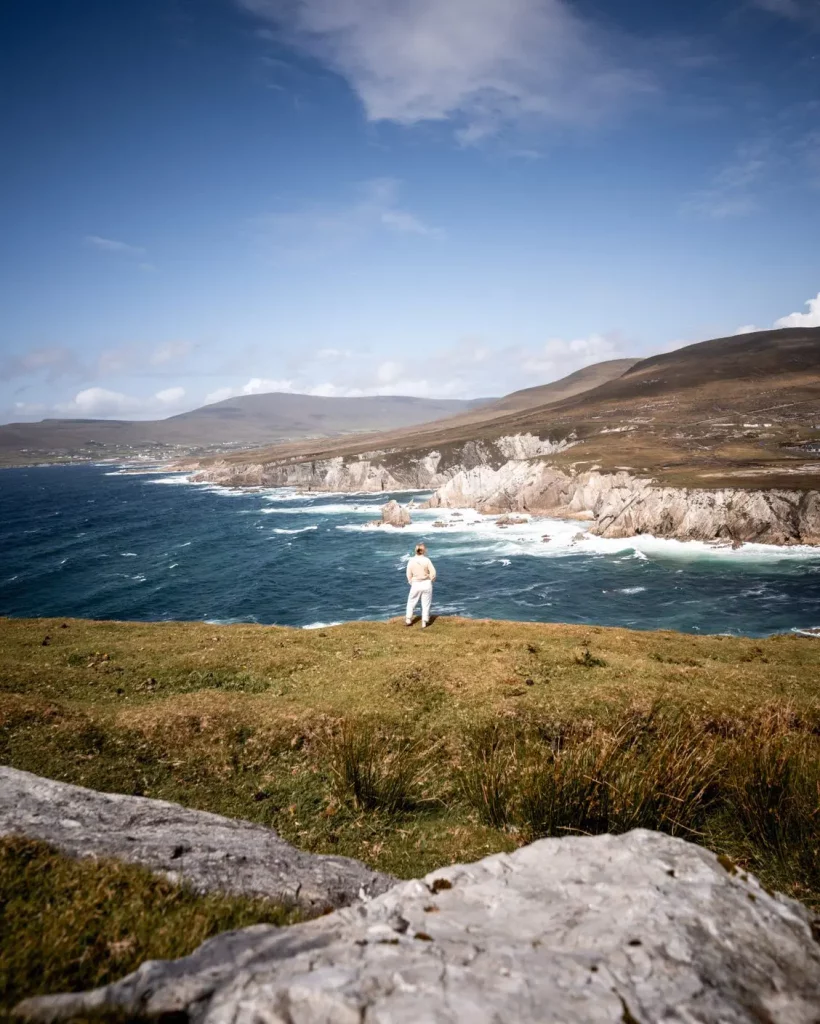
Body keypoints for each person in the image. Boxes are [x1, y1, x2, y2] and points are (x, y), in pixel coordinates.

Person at [405, 543, 437, 628]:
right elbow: (433, 573)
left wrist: (411, 582)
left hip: (415, 584)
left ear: (415, 551)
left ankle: (408, 619)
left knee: (411, 602)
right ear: (424, 551)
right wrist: (431, 579)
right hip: (426, 583)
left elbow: (408, 574)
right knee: (426, 604)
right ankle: (424, 622)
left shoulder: (411, 560)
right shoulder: (427, 560)